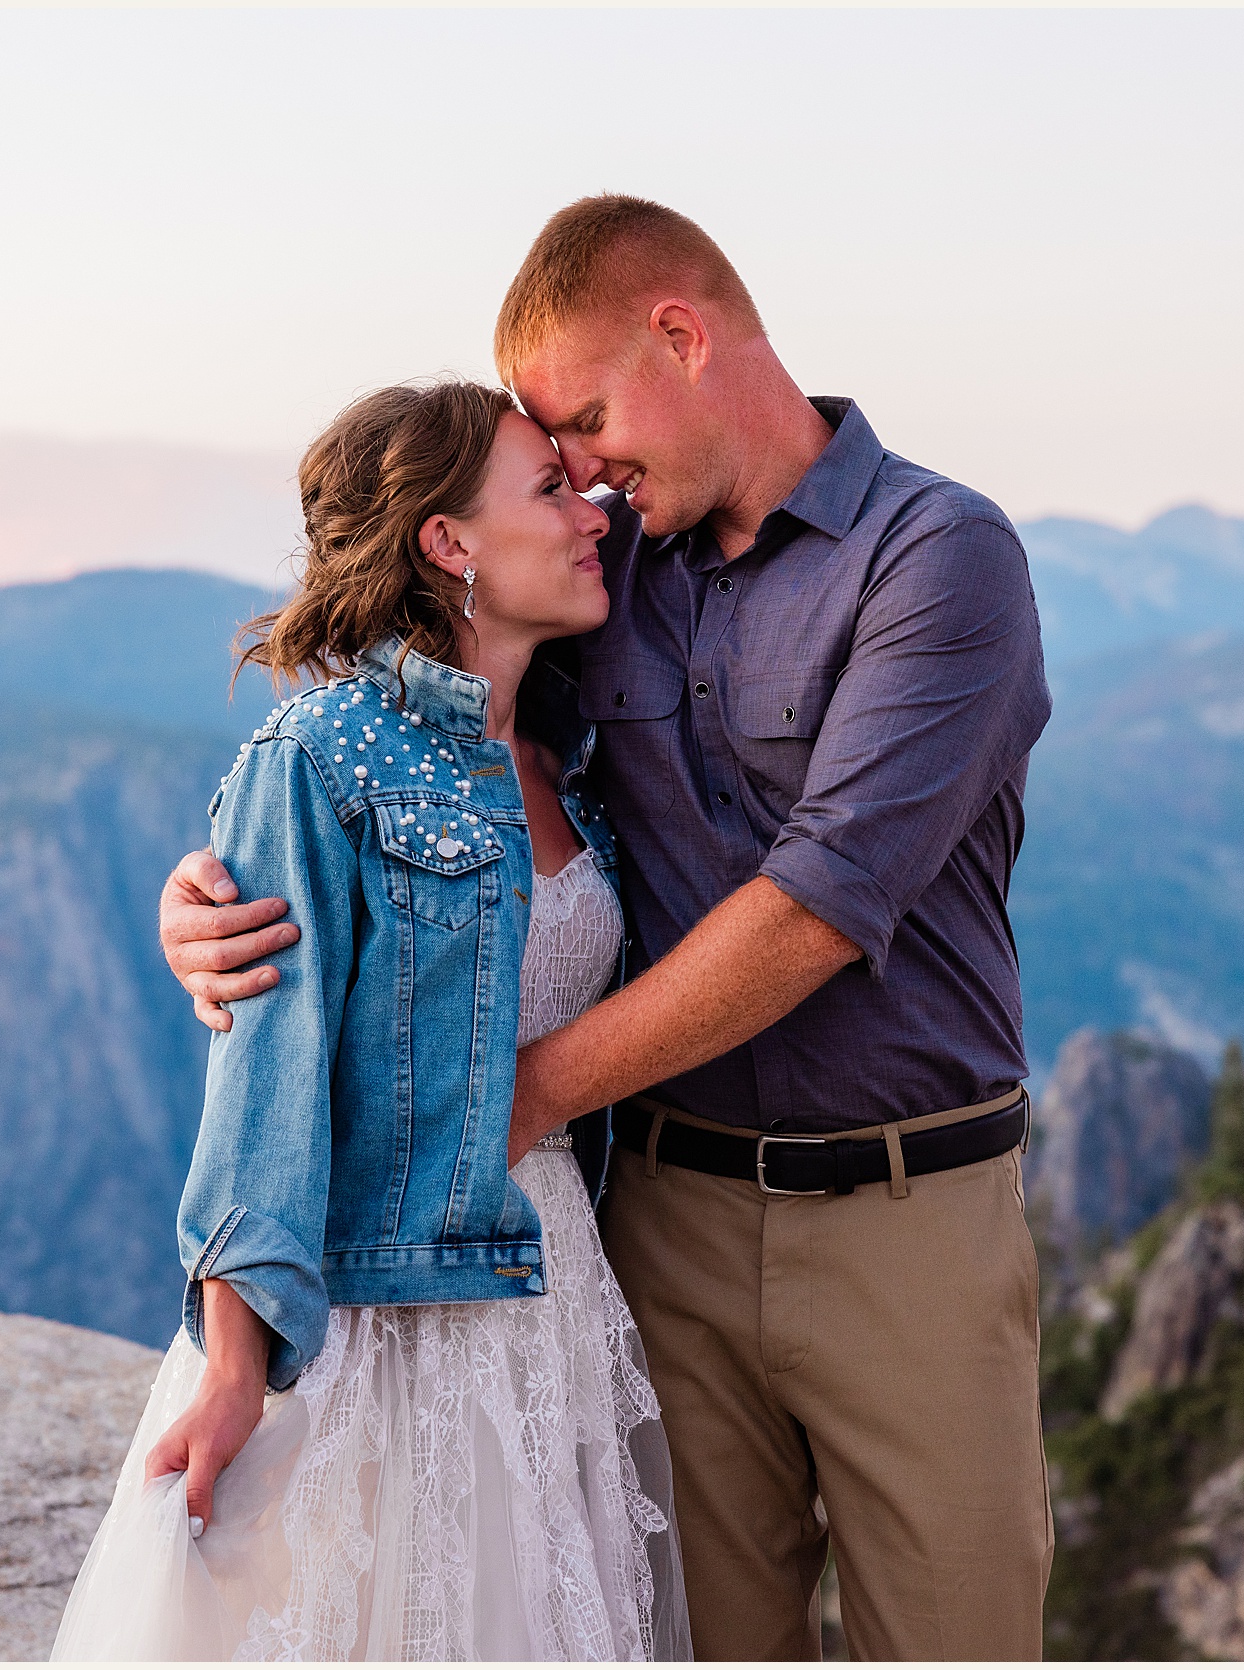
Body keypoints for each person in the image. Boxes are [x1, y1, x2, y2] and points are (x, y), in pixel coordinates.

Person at [162, 195, 1054, 1660]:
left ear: (683, 336)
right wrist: (207, 894)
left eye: (579, 419)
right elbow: (413, 757)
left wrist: (518, 1092)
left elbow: (816, 904)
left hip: (910, 1220)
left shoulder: (938, 557)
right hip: (657, 1232)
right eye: (550, 456)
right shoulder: (603, 573)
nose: (578, 472)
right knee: (673, 1633)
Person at [55, 380, 690, 1661]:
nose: (592, 514)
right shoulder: (322, 757)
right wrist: (235, 1359)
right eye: (549, 492)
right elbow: (266, 1076)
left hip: (549, 1291)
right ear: (449, 544)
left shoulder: (562, 751)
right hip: (388, 1307)